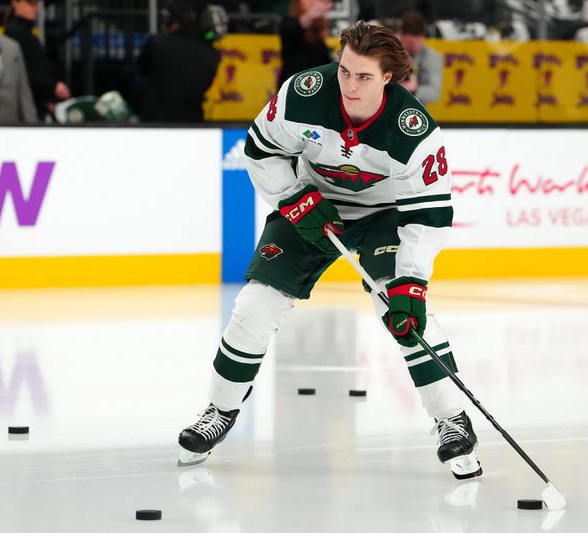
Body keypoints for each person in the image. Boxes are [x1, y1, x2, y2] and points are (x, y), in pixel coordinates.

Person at [178, 21, 482, 481]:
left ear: (387, 78)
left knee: (405, 316)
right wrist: (294, 198)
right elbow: (259, 151)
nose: (349, 85)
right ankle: (219, 411)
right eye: (345, 71)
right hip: (310, 202)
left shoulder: (414, 131)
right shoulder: (303, 94)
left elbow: (429, 215)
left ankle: (451, 420)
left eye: (363, 76)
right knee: (254, 307)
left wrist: (412, 283)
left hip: (383, 216)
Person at [137, 0, 220, 122]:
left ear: (169, 19)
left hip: (155, 121)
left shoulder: (156, 43)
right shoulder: (211, 53)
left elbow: (140, 72)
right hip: (193, 122)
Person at [4, 0, 71, 121]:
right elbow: (21, 73)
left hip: (37, 103)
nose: (34, 8)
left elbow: (39, 67)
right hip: (23, 107)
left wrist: (46, 99)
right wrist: (52, 86)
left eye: (35, 4)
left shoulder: (28, 31)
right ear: (15, 3)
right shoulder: (14, 32)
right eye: (29, 3)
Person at [278, 0, 333, 89]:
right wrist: (310, 16)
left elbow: (323, 60)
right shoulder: (288, 22)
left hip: (314, 85)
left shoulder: (318, 28)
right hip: (293, 84)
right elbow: (295, 29)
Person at [397, 11, 443, 105]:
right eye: (409, 43)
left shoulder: (432, 57)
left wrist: (414, 90)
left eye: (416, 42)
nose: (413, 47)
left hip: (415, 109)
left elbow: (435, 93)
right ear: (400, 35)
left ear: (423, 37)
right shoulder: (386, 52)